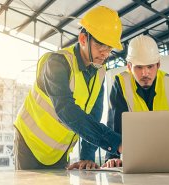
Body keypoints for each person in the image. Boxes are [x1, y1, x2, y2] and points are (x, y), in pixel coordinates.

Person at [14, 6, 123, 170]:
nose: (105, 53)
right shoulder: (56, 63)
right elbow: (65, 109)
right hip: (29, 143)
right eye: (101, 45)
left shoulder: (100, 72)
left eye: (109, 48)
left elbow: (93, 115)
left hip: (59, 151)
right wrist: (116, 142)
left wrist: (87, 157)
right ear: (83, 39)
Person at [102, 34, 169, 168]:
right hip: (136, 158)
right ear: (129, 67)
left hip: (168, 156)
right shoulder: (121, 83)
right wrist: (112, 157)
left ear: (158, 65)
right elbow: (114, 123)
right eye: (139, 67)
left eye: (150, 66)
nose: (145, 73)